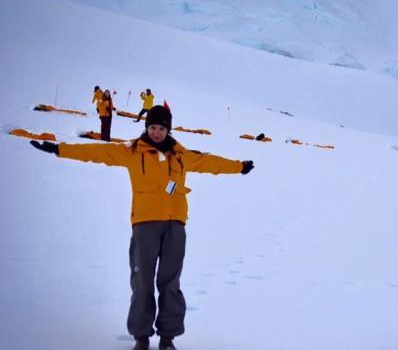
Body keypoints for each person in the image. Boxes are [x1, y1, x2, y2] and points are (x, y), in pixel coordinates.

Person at [30, 105, 255, 350]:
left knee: (170, 283)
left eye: (161, 128)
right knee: (142, 282)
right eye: (152, 127)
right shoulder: (132, 151)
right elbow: (97, 152)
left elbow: (209, 163)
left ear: (168, 129)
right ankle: (141, 337)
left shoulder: (180, 155)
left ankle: (167, 339)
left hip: (175, 225)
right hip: (145, 224)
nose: (157, 132)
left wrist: (238, 166)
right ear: (146, 127)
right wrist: (60, 149)